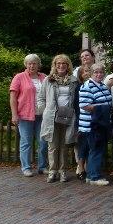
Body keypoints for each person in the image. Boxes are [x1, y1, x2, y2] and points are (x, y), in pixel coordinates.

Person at [38, 54, 79, 183]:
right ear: (55, 66)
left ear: (68, 66)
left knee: (64, 145)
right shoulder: (48, 80)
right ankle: (52, 171)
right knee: (53, 145)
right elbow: (40, 97)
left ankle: (63, 171)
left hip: (67, 116)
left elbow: (76, 99)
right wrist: (45, 110)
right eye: (58, 64)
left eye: (64, 64)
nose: (61, 66)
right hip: (52, 116)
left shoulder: (73, 80)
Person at [9, 54, 48, 176]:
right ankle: (26, 167)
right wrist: (14, 114)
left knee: (43, 142)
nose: (32, 65)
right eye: (29, 63)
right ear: (26, 65)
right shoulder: (19, 77)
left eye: (34, 63)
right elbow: (13, 98)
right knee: (26, 142)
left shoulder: (44, 77)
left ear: (38, 64)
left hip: (42, 115)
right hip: (25, 115)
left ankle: (42, 167)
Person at [78, 63, 112, 186]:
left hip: (101, 124)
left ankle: (91, 174)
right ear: (91, 74)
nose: (99, 74)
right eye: (96, 72)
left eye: (101, 72)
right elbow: (84, 105)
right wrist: (104, 108)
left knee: (96, 150)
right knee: (96, 150)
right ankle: (94, 176)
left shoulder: (102, 86)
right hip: (91, 125)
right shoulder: (87, 86)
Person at [74, 65, 92, 180]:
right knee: (82, 145)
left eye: (89, 71)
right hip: (82, 121)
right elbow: (76, 105)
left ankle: (88, 168)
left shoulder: (95, 85)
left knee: (91, 145)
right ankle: (80, 167)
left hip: (93, 121)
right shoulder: (79, 87)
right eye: (85, 71)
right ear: (80, 74)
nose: (87, 73)